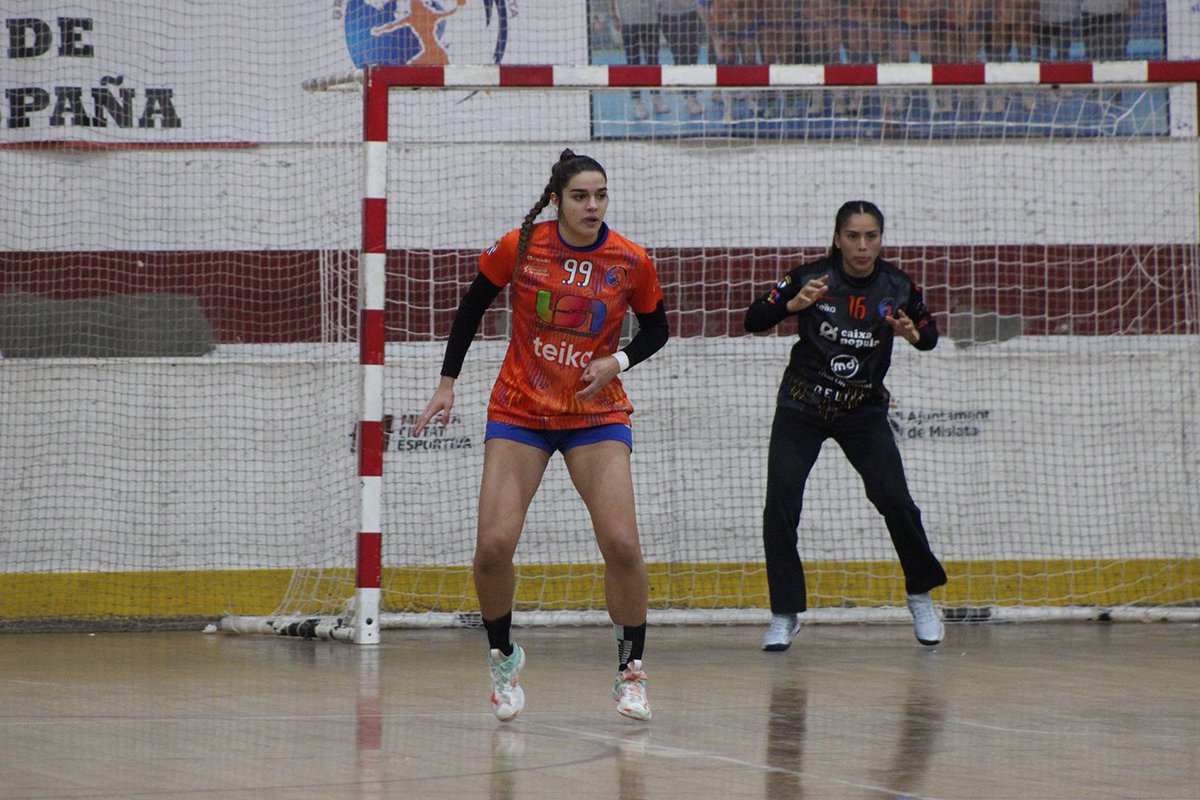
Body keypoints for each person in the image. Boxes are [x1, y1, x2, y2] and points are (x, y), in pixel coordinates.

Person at [412, 149, 669, 721]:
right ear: (556, 200)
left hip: (595, 413)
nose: (593, 205)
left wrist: (619, 362)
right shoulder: (521, 245)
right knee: (492, 548)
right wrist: (446, 382)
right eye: (581, 195)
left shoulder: (630, 259)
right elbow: (472, 306)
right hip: (521, 411)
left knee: (623, 544)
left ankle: (630, 670)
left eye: (601, 195)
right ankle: (503, 658)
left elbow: (658, 329)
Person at [743, 200, 947, 652]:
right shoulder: (808, 277)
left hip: (863, 410)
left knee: (895, 499)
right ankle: (785, 613)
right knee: (781, 503)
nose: (861, 245)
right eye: (852, 236)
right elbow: (752, 318)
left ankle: (920, 592)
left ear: (880, 239)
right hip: (802, 405)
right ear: (837, 238)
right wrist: (790, 305)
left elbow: (929, 336)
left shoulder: (897, 284)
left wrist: (914, 334)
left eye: (870, 236)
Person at [610, 0, 668, 119]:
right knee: (633, 62)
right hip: (629, 19)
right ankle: (636, 101)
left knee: (653, 60)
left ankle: (655, 96)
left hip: (650, 18)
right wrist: (614, 15)